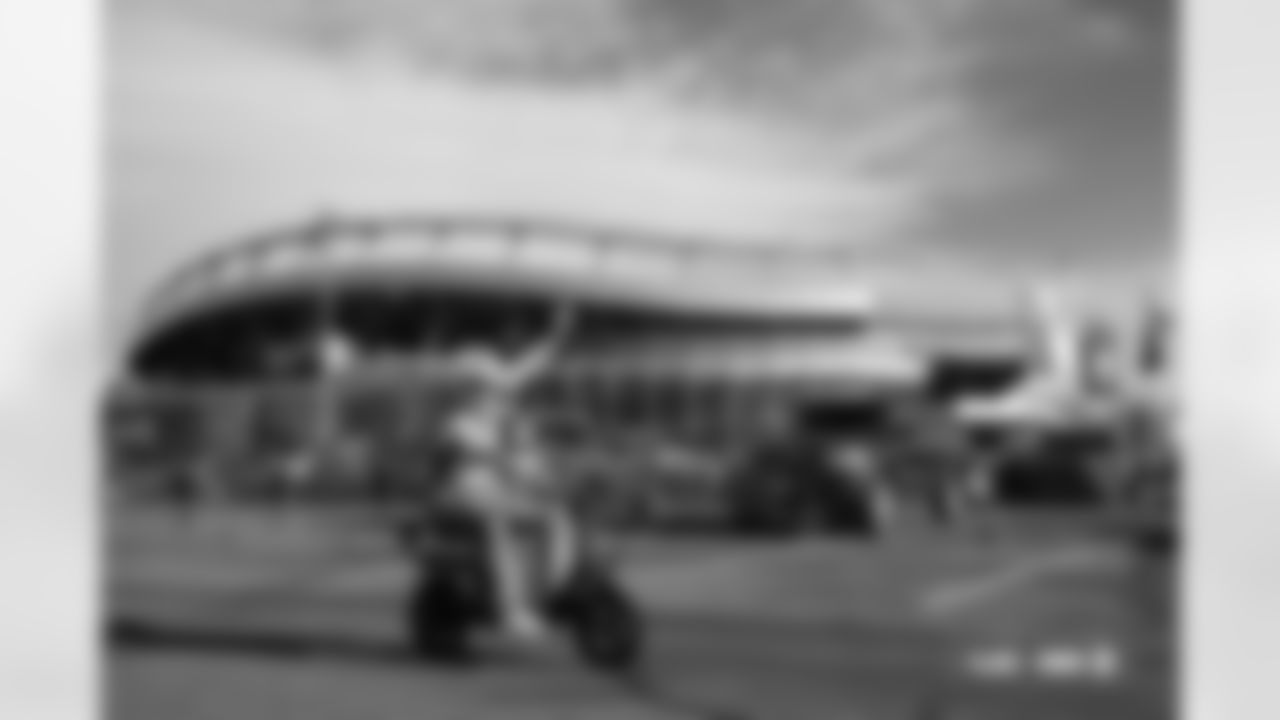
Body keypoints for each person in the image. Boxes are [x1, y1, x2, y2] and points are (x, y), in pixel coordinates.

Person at [437, 303, 578, 642]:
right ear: (468, 387)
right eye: (485, 386)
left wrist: (558, 333)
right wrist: (512, 463)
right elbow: (486, 455)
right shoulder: (457, 423)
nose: (494, 391)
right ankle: (510, 609)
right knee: (500, 527)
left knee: (552, 516)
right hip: (464, 497)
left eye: (493, 386)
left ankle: (547, 592)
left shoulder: (500, 416)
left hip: (494, 493)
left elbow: (526, 371)